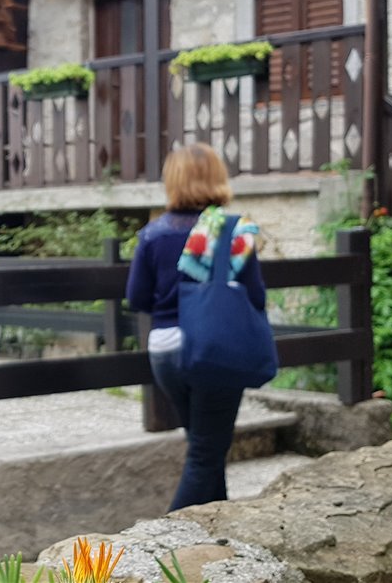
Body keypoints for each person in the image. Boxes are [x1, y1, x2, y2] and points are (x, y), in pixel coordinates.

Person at [125, 143, 264, 511]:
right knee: (205, 454)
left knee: (206, 445)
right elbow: (256, 296)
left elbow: (137, 298)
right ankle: (162, 538)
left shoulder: (152, 235)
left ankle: (218, 527)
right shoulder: (233, 232)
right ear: (217, 178)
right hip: (213, 351)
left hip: (165, 352)